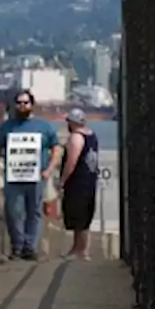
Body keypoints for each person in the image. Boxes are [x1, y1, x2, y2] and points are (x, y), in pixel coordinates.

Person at [0, 89, 62, 261]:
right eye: (19, 103)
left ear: (32, 105)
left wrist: (50, 169)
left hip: (36, 177)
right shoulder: (7, 126)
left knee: (34, 212)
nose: (22, 106)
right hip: (13, 178)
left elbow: (56, 148)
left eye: (25, 103)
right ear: (15, 105)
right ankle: (17, 246)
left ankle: (30, 247)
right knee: (13, 211)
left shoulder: (44, 126)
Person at [58, 107, 100, 260]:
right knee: (84, 216)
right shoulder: (92, 136)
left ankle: (81, 250)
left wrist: (63, 180)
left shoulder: (75, 137)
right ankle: (78, 249)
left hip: (77, 182)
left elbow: (71, 162)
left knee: (78, 215)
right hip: (89, 181)